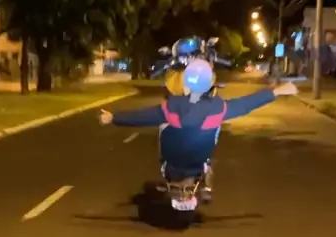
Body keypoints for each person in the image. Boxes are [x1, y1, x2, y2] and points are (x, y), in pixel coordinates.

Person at [99, 58, 298, 199]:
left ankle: (170, 168)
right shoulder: (218, 108)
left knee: (162, 125)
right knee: (215, 128)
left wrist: (113, 118)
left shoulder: (172, 106)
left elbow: (142, 117)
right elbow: (246, 104)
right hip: (197, 163)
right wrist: (278, 91)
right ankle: (205, 168)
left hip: (171, 164)